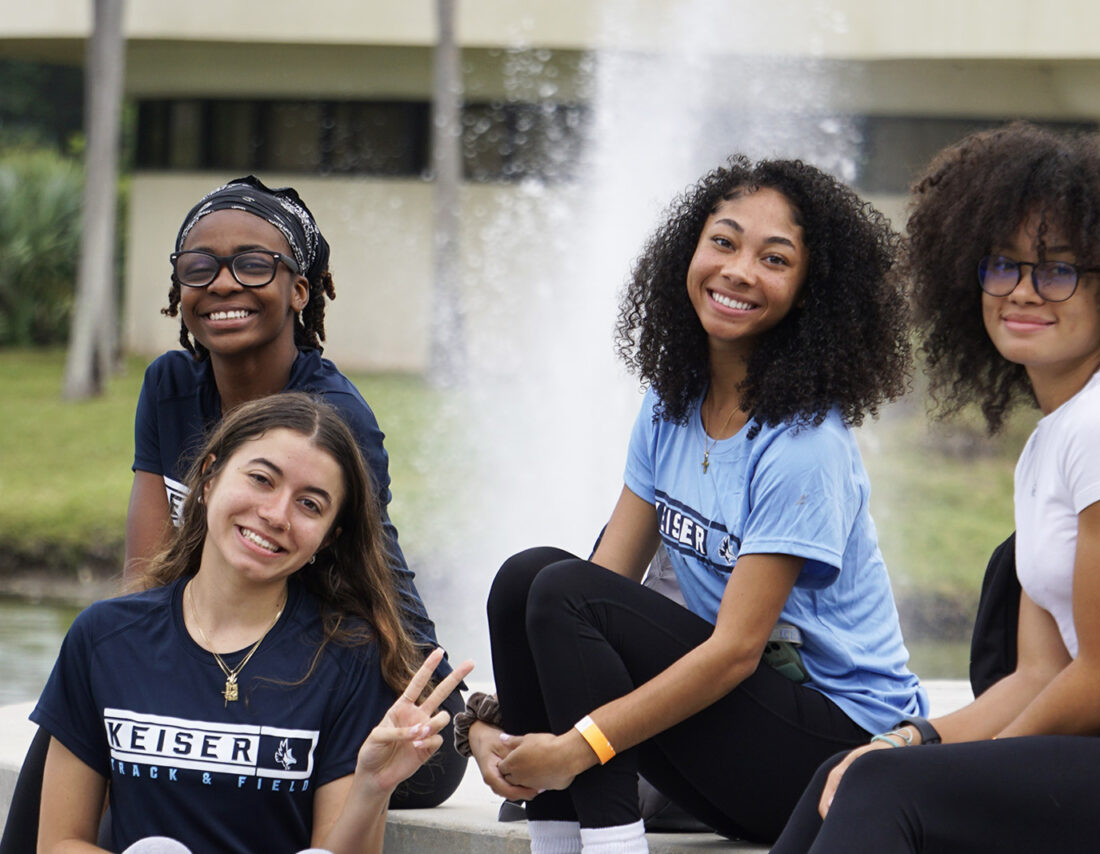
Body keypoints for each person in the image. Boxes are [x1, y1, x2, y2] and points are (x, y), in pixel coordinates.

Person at [771, 122, 1100, 854]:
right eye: (1001, 266)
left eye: (1058, 270)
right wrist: (911, 739)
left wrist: (969, 774)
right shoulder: (1054, 439)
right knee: (857, 770)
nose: (1022, 291)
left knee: (891, 790)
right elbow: (1042, 673)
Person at [460, 156, 927, 853]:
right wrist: (516, 726)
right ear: (690, 250)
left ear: (810, 291)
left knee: (561, 592)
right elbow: (605, 584)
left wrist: (577, 747)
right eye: (725, 242)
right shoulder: (670, 404)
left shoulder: (803, 444)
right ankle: (553, 835)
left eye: (775, 258)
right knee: (527, 578)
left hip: (834, 759)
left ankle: (613, 844)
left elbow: (736, 651)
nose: (738, 270)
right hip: (741, 743)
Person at [125, 175, 464, 808]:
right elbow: (148, 578)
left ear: (299, 290)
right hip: (241, 661)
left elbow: (323, 598)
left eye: (254, 265)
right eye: (199, 266)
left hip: (379, 699)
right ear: (179, 288)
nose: (223, 283)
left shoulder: (329, 418)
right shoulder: (170, 386)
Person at [33, 392, 474, 854]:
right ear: (208, 479)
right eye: (262, 479)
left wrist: (372, 787)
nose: (276, 515)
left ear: (328, 538)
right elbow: (59, 842)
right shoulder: (105, 639)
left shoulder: (348, 657)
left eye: (310, 505)